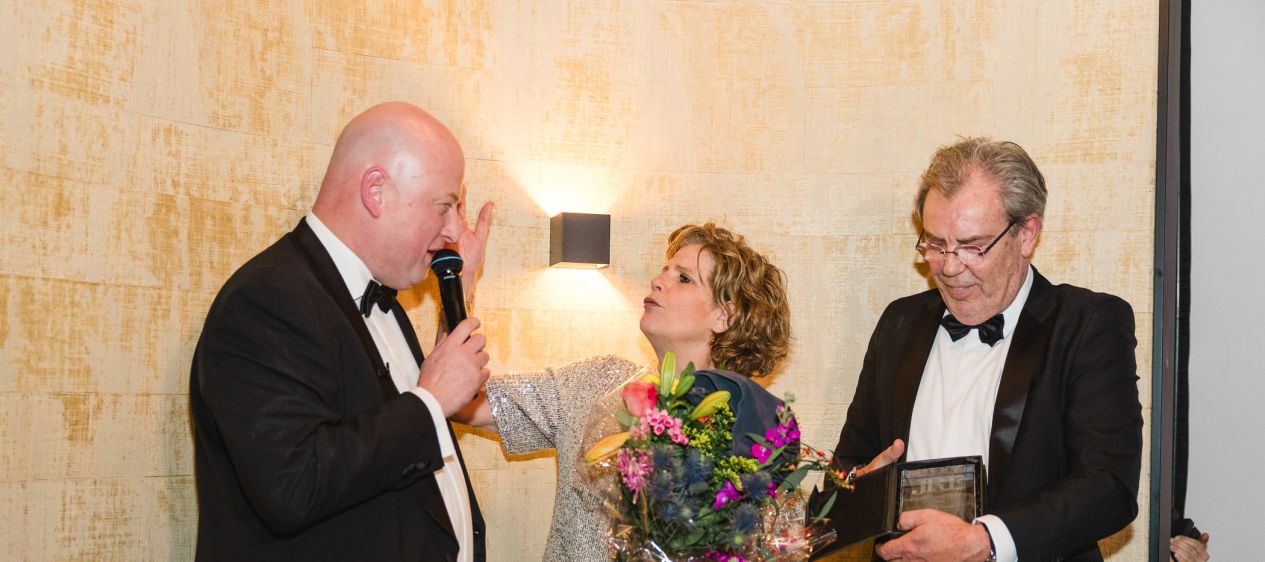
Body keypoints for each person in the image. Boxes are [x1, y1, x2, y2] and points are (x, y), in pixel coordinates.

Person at [189, 101, 494, 561]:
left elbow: (395, 452)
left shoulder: (380, 295)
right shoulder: (265, 301)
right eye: (444, 206)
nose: (454, 228)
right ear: (375, 191)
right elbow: (293, 485)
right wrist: (428, 401)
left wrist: (459, 286)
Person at [829, 137, 1142, 561]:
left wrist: (986, 542)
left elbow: (1109, 486)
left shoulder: (1086, 324)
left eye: (972, 246)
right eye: (935, 244)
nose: (949, 267)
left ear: (1026, 234)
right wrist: (862, 492)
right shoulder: (899, 323)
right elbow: (845, 472)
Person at [453, 223, 791, 561]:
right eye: (665, 270)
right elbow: (461, 400)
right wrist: (457, 284)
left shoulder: (754, 436)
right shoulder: (596, 383)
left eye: (684, 278)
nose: (657, 281)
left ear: (724, 316)